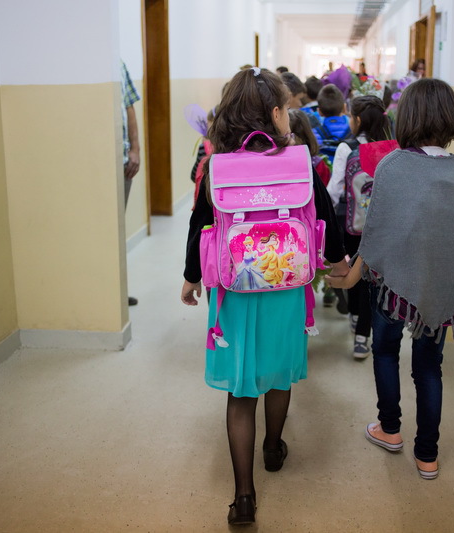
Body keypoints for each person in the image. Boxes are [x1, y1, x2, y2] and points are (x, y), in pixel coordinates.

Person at [181, 67, 348, 525]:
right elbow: (325, 215)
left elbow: (200, 223)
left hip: (234, 290)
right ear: (275, 114)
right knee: (277, 374)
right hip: (287, 287)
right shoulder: (298, 162)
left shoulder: (217, 166)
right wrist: (339, 262)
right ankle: (273, 448)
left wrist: (191, 277)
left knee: (241, 388)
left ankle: (244, 497)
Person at [327, 78, 454, 480]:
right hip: (439, 284)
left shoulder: (393, 165)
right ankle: (427, 455)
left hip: (391, 285)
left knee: (385, 352)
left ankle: (391, 429)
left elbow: (375, 235)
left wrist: (348, 279)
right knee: (429, 367)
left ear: (408, 117)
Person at [325, 95, 392, 359]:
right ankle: (363, 336)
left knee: (352, 269)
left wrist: (326, 218)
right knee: (372, 280)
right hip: (383, 226)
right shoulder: (392, 147)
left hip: (351, 223)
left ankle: (355, 318)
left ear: (358, 120)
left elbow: (335, 188)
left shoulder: (347, 148)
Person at [121, 60, 141, 306]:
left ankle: (118, 292)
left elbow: (129, 107)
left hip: (123, 160)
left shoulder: (118, 64)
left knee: (117, 229)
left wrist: (135, 149)